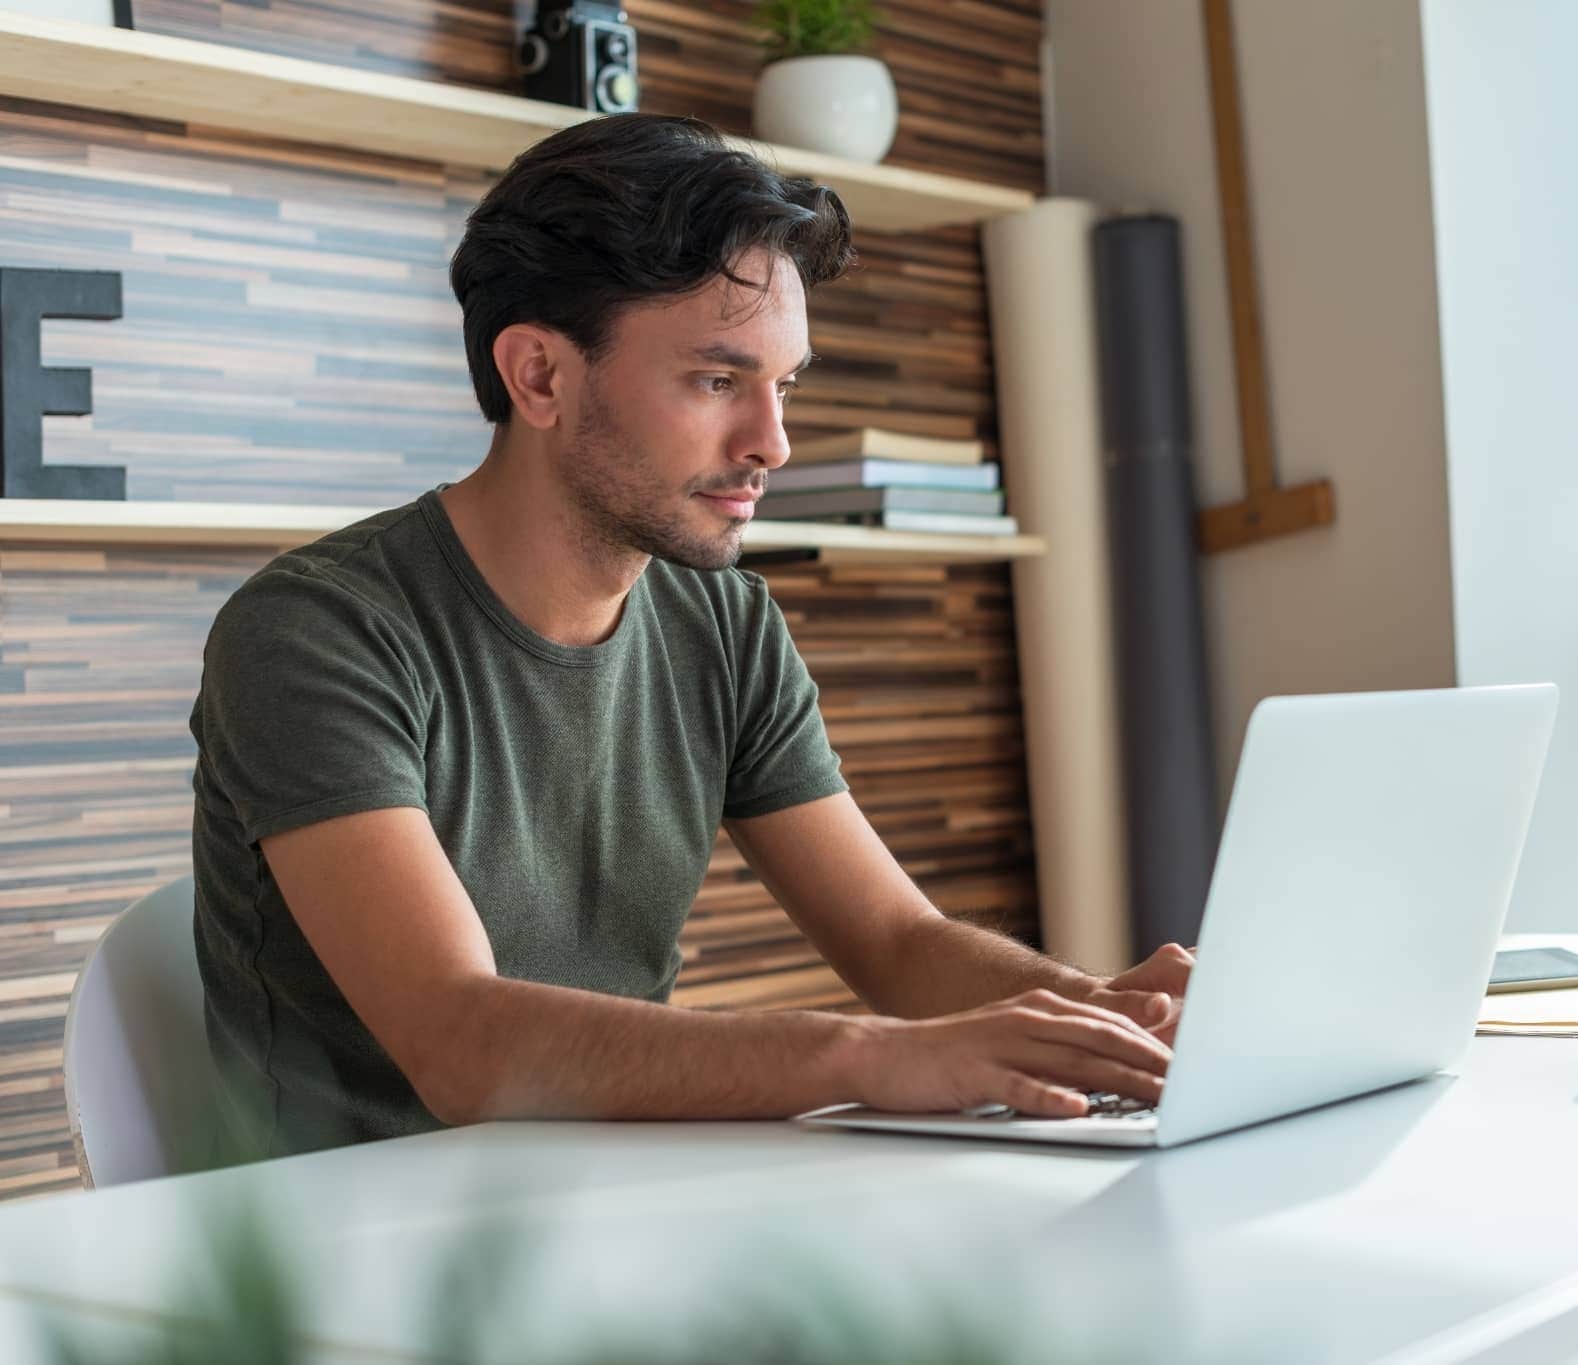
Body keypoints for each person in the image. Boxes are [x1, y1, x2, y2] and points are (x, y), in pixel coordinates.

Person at [188, 113, 1192, 1163]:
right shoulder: (314, 632)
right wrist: (868, 1055)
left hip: (608, 1200)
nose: (772, 443)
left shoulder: (723, 624)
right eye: (718, 381)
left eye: (783, 384)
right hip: (333, 1255)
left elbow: (895, 942)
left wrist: (1112, 1020)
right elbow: (461, 1042)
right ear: (538, 376)